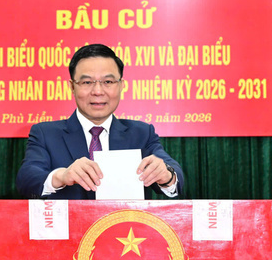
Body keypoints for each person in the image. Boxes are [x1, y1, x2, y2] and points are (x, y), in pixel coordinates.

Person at [16, 43, 184, 200]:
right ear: (72, 87)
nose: (97, 91)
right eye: (87, 82)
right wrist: (61, 176)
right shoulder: (46, 134)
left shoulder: (141, 133)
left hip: (124, 230)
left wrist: (167, 175)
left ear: (121, 85)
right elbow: (26, 180)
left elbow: (174, 173)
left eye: (108, 82)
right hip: (68, 230)